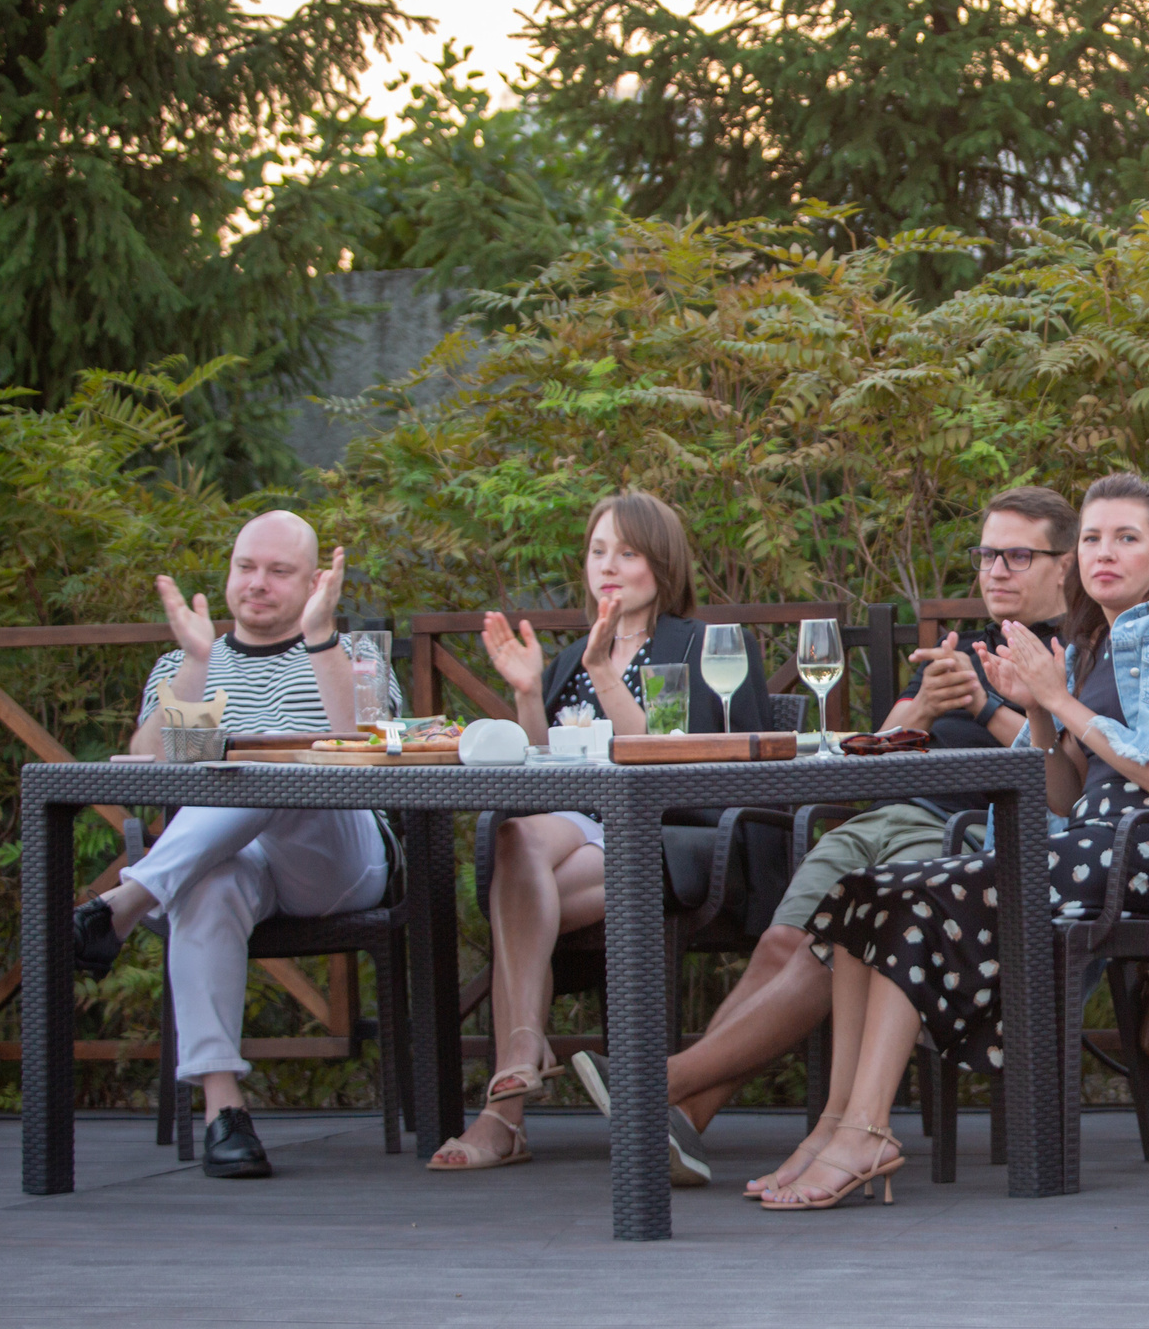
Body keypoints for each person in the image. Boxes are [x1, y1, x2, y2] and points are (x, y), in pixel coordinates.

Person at [571, 487, 1080, 1192]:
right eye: (988, 553)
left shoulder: (1070, 651)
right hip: (884, 814)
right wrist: (927, 704)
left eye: (1017, 555)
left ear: (1065, 564)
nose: (996, 569)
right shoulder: (962, 644)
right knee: (783, 940)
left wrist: (990, 705)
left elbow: (1064, 783)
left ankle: (665, 1081)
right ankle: (686, 1117)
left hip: (961, 832)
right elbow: (877, 747)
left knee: (825, 946)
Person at [762, 473, 1149, 1209]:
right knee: (866, 892)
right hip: (1092, 841)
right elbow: (1061, 791)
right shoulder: (1096, 645)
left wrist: (1053, 699)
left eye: (1126, 538)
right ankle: (839, 1123)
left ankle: (866, 1130)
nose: (1104, 552)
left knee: (919, 894)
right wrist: (1040, 712)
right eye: (1092, 538)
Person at [427, 491, 773, 1172]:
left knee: (515, 898)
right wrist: (529, 693)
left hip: (668, 831)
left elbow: (671, 758)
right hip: (578, 828)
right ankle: (523, 1049)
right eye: (597, 550)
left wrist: (603, 675)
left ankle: (504, 1114)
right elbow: (543, 778)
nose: (608, 565)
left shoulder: (705, 646)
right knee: (514, 840)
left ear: (663, 564)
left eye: (628, 551)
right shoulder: (566, 659)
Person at [70, 511, 391, 1180]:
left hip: (337, 853)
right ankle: (223, 1110)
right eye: (247, 567)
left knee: (271, 766)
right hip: (232, 859)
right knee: (208, 885)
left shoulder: (350, 650)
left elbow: (363, 746)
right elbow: (143, 762)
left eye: (280, 571)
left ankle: (128, 899)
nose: (258, 583)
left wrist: (321, 638)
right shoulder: (185, 658)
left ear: (314, 582)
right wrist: (194, 661)